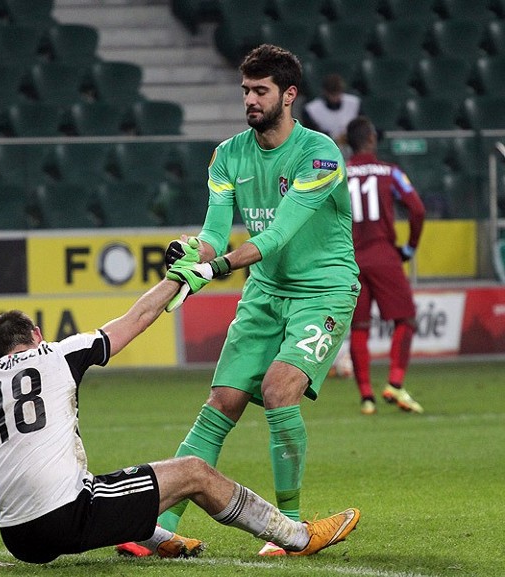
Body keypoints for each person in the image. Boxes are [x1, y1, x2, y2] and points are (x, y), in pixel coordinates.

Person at [117, 43, 361, 558]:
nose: (250, 99)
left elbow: (276, 236)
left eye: (261, 90)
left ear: (288, 95)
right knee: (220, 404)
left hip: (324, 290)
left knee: (277, 390)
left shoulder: (320, 154)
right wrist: (192, 253)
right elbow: (212, 232)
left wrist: (217, 266)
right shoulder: (228, 154)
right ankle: (157, 528)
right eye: (246, 90)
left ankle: (289, 529)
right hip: (266, 293)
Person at [0, 276, 361, 567]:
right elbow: (137, 318)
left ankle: (156, 537)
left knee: (92, 483)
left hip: (20, 539)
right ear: (36, 334)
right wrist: (177, 278)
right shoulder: (57, 355)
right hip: (68, 516)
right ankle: (298, 536)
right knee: (195, 472)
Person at [345, 116, 426, 415]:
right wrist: (410, 247)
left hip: (350, 259)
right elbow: (417, 209)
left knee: (359, 326)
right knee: (406, 320)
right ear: (371, 139)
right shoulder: (390, 172)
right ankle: (395, 382)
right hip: (383, 255)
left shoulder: (339, 174)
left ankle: (366, 397)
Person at [302, 73, 361, 151]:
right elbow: (311, 135)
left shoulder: (354, 103)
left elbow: (361, 126)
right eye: (332, 95)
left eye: (338, 93)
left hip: (352, 147)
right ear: (325, 92)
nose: (336, 98)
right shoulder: (312, 109)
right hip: (325, 149)